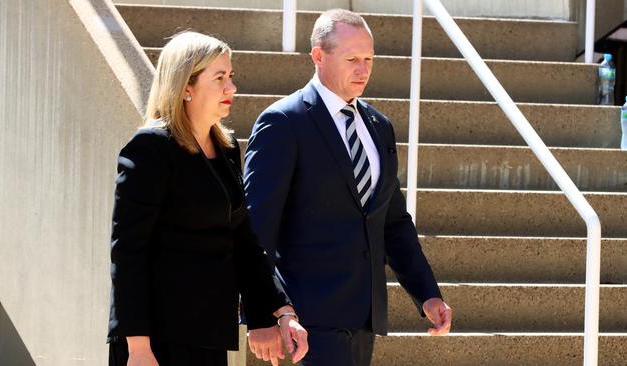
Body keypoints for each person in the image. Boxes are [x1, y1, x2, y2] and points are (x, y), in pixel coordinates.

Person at [243, 9, 452, 366]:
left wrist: (427, 294)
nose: (363, 69)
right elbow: (255, 227)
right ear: (318, 56)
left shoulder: (379, 126)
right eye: (352, 59)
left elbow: (392, 221)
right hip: (303, 323)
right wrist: (261, 313)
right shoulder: (283, 122)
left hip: (363, 320)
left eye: (369, 59)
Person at [107, 31, 308, 366]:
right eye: (219, 78)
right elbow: (128, 253)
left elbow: (243, 241)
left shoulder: (227, 148)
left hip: (208, 336)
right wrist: (138, 348)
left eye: (230, 77)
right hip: (157, 340)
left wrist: (279, 312)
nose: (231, 88)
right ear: (186, 86)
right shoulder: (150, 149)